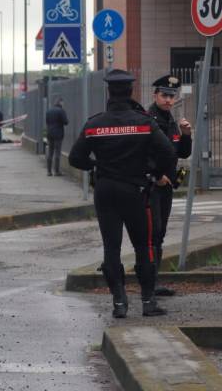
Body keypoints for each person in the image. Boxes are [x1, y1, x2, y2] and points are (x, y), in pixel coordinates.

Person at [69, 69, 177, 319]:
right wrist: (155, 171)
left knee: (111, 247)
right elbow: (168, 152)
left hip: (105, 190)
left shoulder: (95, 123)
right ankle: (148, 301)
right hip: (137, 190)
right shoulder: (144, 122)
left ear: (109, 92)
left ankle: (119, 302)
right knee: (144, 246)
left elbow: (76, 158)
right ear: (130, 92)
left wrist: (96, 166)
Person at [147, 75, 193, 297]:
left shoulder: (171, 120)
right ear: (155, 95)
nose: (168, 100)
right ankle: (149, 283)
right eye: (164, 95)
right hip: (151, 185)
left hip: (166, 186)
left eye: (171, 96)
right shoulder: (148, 119)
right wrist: (155, 175)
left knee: (160, 233)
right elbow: (142, 153)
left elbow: (182, 152)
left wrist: (186, 135)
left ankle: (154, 281)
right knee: (151, 232)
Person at [45, 98, 69, 176]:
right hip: (58, 134)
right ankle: (57, 171)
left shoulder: (48, 111)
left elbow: (47, 122)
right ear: (61, 103)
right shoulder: (61, 111)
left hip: (49, 133)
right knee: (57, 153)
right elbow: (66, 122)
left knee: (50, 152)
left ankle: (49, 171)